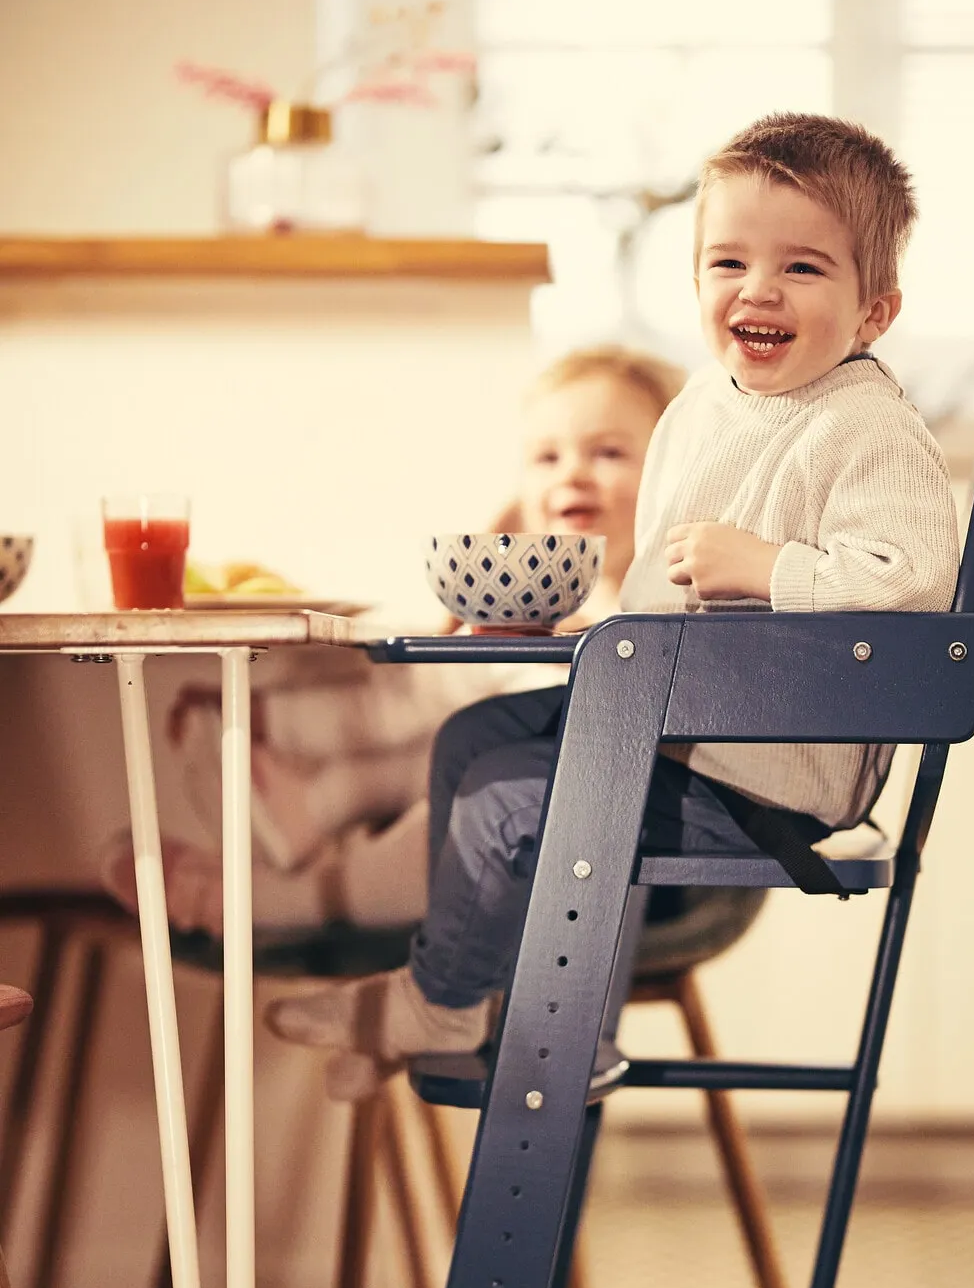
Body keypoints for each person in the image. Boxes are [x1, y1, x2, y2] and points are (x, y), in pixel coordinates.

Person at [266, 111, 962, 1100]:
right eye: (727, 262)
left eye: (801, 269)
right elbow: (655, 613)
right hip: (672, 734)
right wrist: (555, 627)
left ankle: (440, 997)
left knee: (510, 797)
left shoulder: (868, 432)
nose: (757, 289)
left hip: (765, 785)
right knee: (471, 743)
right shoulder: (705, 411)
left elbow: (910, 579)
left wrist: (768, 567)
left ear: (872, 312)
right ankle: (454, 995)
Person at [99, 346, 684, 936]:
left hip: (618, 859)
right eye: (545, 457)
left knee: (471, 780)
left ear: (670, 475)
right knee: (453, 709)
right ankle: (317, 796)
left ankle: (271, 894)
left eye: (608, 452)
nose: (571, 474)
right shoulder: (544, 598)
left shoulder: (660, 589)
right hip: (517, 813)